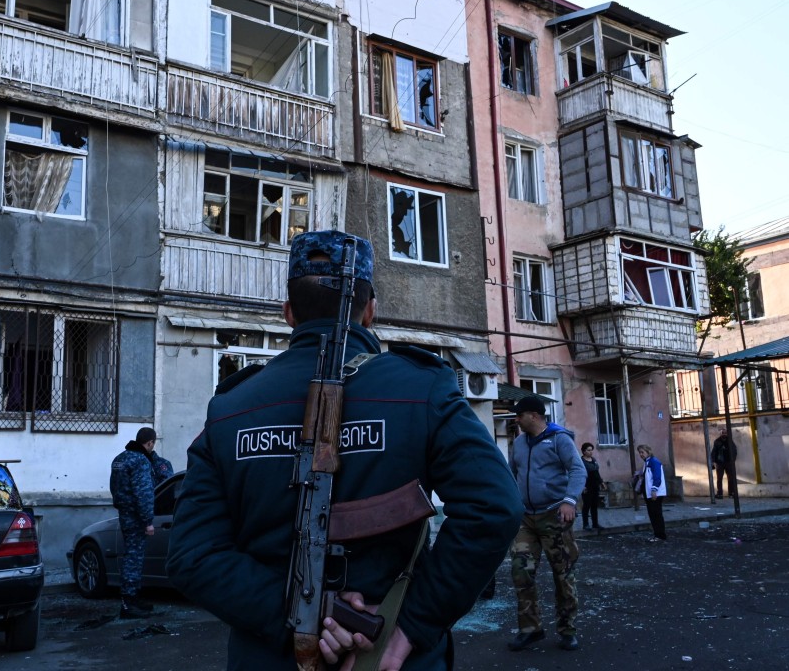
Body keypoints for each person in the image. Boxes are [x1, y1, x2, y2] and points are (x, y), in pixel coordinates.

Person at [166, 230, 523, 670]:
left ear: (288, 312)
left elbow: (192, 556)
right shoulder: (422, 389)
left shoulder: (229, 408)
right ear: (370, 310)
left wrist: (298, 619)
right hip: (389, 657)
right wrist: (412, 623)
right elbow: (495, 507)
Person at [508, 396, 586, 653]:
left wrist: (569, 500)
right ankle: (531, 629)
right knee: (521, 572)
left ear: (533, 415)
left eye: (519, 415)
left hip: (554, 515)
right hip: (526, 518)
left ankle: (567, 630)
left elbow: (578, 470)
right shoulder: (519, 443)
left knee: (563, 574)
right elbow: (512, 474)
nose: (516, 420)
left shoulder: (559, 439)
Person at [109, 426, 158, 618]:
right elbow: (143, 493)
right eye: (153, 444)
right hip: (136, 515)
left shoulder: (120, 459)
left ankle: (134, 598)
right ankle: (129, 601)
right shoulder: (141, 461)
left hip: (124, 512)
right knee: (134, 557)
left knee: (131, 554)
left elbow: (114, 487)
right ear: (150, 443)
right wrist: (148, 521)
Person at [637, 444, 667, 542]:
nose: (641, 454)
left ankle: (660, 535)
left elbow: (657, 477)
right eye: (640, 452)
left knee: (656, 514)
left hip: (655, 493)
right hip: (649, 493)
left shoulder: (654, 462)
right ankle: (657, 534)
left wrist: (654, 490)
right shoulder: (647, 462)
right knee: (653, 514)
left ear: (648, 452)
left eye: (642, 452)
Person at [580, 442, 606, 530]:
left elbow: (596, 472)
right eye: (588, 450)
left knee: (594, 505)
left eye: (592, 450)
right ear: (584, 451)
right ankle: (585, 524)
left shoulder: (593, 460)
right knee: (586, 505)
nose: (591, 452)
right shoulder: (581, 461)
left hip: (595, 486)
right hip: (586, 487)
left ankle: (595, 524)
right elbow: (580, 474)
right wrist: (582, 486)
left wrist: (601, 482)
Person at [710, 429, 737, 500]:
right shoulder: (717, 441)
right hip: (720, 463)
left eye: (725, 433)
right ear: (720, 434)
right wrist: (712, 461)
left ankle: (731, 493)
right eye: (723, 433)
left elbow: (734, 450)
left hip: (728, 462)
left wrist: (732, 460)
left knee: (730, 478)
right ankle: (720, 494)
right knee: (719, 479)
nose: (724, 434)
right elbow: (714, 452)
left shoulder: (730, 441)